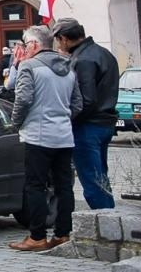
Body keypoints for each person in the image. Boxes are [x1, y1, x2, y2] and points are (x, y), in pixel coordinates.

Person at [9, 25, 82, 251]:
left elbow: (23, 100)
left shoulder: (29, 67)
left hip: (38, 136)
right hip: (64, 135)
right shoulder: (68, 67)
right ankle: (62, 233)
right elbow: (77, 104)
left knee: (35, 186)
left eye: (24, 43)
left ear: (34, 45)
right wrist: (62, 117)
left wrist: (15, 124)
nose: (22, 48)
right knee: (64, 187)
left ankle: (37, 236)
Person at [53, 18, 120, 210]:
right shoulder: (103, 53)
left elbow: (86, 101)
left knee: (92, 181)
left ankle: (105, 224)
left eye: (58, 40)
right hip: (105, 121)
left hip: (88, 125)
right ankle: (110, 218)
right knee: (100, 177)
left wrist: (68, 119)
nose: (58, 44)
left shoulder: (83, 59)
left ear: (64, 39)